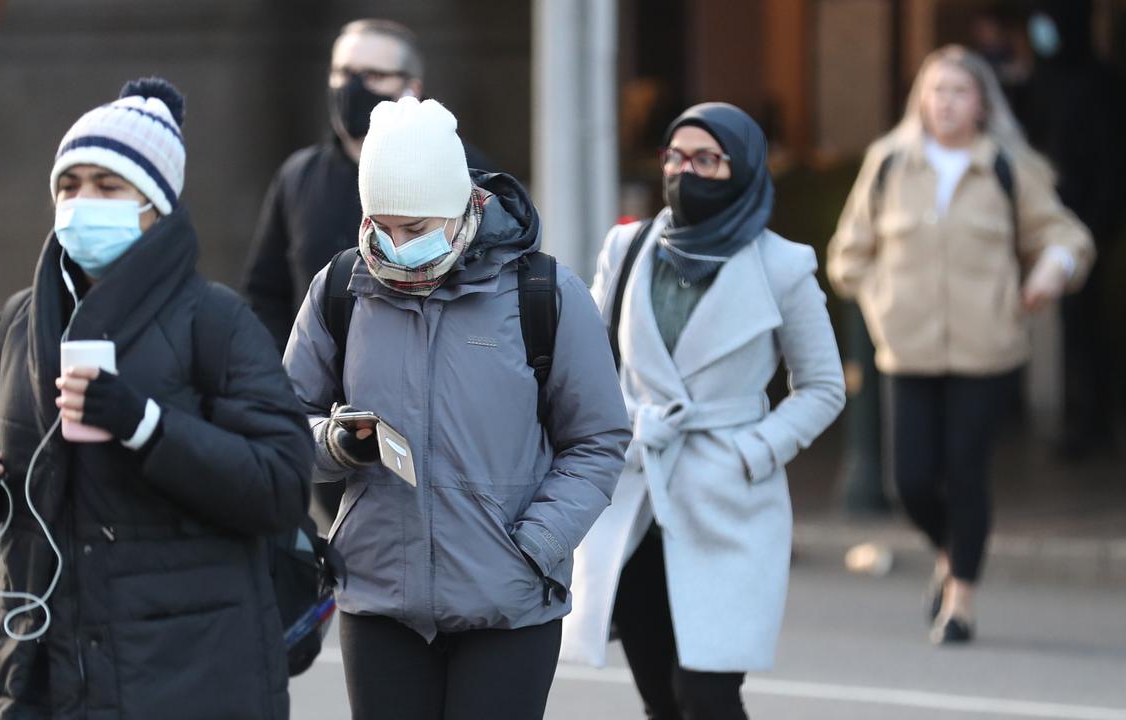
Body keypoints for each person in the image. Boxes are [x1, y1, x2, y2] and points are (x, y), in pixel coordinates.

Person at [0, 78, 313, 718]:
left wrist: (147, 426)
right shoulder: (19, 324)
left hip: (185, 672)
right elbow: (16, 488)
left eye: (108, 187)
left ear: (155, 205)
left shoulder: (215, 321)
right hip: (41, 669)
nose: (81, 202)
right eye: (69, 186)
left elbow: (279, 484)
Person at [282, 96, 630, 720]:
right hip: (379, 599)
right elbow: (278, 429)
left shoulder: (544, 293)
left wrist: (534, 545)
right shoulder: (340, 289)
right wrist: (333, 443)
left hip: (509, 605)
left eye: (415, 229)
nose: (394, 245)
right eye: (379, 226)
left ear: (465, 205)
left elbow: (597, 439)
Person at [561, 102, 846, 720]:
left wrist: (754, 450)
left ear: (740, 168)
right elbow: (588, 360)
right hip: (636, 497)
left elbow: (823, 386)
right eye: (675, 156)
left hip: (729, 502)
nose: (684, 171)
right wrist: (613, 431)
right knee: (660, 698)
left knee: (708, 694)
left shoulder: (782, 265)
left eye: (706, 159)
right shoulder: (629, 245)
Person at [828, 46, 1094, 644]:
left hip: (987, 349)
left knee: (966, 474)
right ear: (919, 99)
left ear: (982, 103)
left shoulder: (1008, 165)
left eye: (959, 92)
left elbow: (1066, 235)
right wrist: (880, 304)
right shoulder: (889, 163)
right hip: (907, 350)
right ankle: (952, 551)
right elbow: (849, 255)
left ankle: (961, 600)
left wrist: (1051, 269)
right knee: (912, 482)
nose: (945, 102)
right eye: (935, 90)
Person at [242, 17, 493, 531]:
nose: (352, 87)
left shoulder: (468, 179)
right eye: (342, 71)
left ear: (412, 89)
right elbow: (263, 294)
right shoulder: (300, 178)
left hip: (439, 441)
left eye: (372, 74)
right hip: (324, 438)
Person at [1024, 0, 1126, 459]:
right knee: (1068, 325)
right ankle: (1079, 418)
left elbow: (1111, 159)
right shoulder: (1046, 79)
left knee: (1088, 324)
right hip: (1050, 222)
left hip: (1089, 222)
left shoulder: (1101, 84)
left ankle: (1093, 419)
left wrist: (1098, 220)